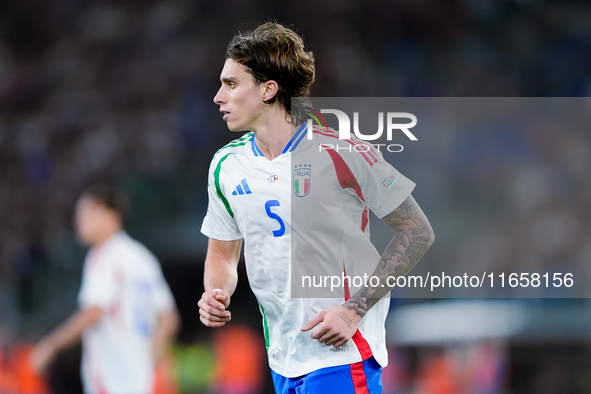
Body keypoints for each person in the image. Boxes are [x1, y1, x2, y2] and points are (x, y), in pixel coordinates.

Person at [198, 22, 434, 393]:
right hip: (283, 355)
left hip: (341, 353)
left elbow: (417, 230)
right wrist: (216, 291)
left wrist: (354, 310)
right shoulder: (225, 166)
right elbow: (223, 256)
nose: (217, 97)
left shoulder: (340, 150)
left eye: (231, 84)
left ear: (268, 90)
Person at [31, 184, 180, 394]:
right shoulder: (142, 257)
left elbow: (94, 311)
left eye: (89, 212)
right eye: (78, 213)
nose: (80, 220)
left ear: (113, 216)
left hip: (110, 381)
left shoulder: (104, 255)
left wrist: (50, 345)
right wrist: (148, 358)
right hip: (139, 381)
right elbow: (169, 318)